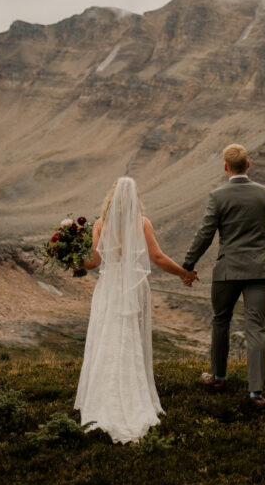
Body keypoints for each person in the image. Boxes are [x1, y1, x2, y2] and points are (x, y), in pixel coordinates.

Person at [75, 175, 197, 443]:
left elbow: (93, 261)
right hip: (133, 288)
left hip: (109, 287)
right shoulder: (142, 224)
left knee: (108, 335)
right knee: (129, 336)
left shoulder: (101, 224)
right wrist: (183, 272)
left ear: (112, 198)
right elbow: (157, 257)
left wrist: (74, 262)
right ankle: (132, 395)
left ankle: (102, 397)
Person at [182, 144, 265, 409]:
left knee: (220, 320)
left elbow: (205, 234)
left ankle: (218, 378)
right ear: (248, 165)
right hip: (259, 271)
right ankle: (256, 393)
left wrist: (188, 264)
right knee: (256, 328)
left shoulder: (218, 196)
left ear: (225, 168)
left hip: (227, 270)